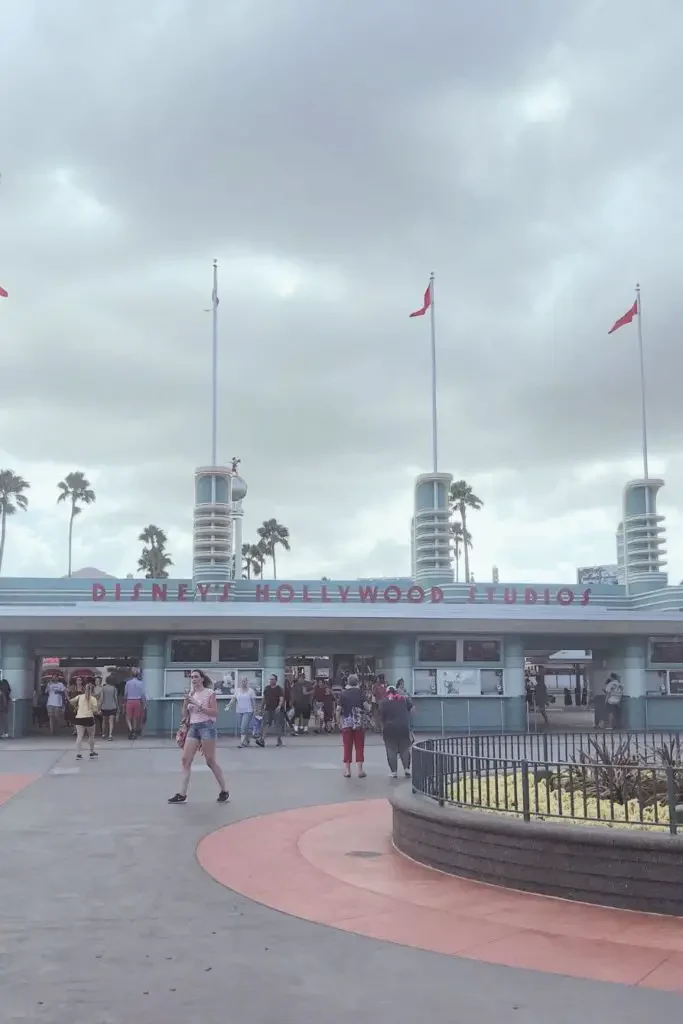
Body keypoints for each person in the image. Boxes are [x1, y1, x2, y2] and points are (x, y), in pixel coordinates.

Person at [168, 669, 229, 804]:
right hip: (193, 727)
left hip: (207, 726)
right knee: (185, 759)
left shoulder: (209, 693)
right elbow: (184, 715)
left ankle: (224, 790)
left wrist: (197, 704)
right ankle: (182, 793)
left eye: (196, 677)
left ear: (202, 679)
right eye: (192, 678)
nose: (194, 680)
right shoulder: (191, 693)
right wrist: (186, 702)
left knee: (210, 761)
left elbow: (214, 713)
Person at [379, 685, 413, 778]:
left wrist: (382, 728)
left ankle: (394, 772)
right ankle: (407, 769)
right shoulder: (404, 700)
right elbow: (412, 709)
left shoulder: (383, 702)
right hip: (403, 727)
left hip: (389, 728)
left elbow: (381, 717)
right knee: (405, 748)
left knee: (391, 749)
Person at [339, 674, 369, 778]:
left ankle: (347, 771)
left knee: (347, 746)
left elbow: (338, 709)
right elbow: (367, 707)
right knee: (359, 746)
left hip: (346, 722)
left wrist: (339, 721)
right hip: (358, 722)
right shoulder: (360, 693)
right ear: (357, 682)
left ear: (348, 682)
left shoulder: (343, 694)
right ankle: (360, 771)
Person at [69, 682, 99, 760]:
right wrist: (97, 712)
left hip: (79, 718)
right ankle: (91, 752)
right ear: (92, 691)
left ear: (84, 690)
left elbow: (71, 701)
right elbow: (95, 711)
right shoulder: (93, 699)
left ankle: (78, 753)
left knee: (80, 736)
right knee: (91, 736)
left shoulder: (79, 697)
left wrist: (76, 706)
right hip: (89, 718)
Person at [257, 674, 284, 747]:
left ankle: (279, 740)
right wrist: (261, 708)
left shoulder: (279, 689)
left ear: (276, 680)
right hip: (268, 709)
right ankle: (262, 739)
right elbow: (264, 699)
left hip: (276, 710)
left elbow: (281, 699)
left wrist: (279, 706)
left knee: (277, 725)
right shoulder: (267, 688)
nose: (271, 680)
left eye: (273, 679)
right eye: (270, 679)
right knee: (266, 724)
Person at [230, 677, 256, 747]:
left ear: (247, 682)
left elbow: (253, 701)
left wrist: (254, 710)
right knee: (243, 727)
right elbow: (234, 699)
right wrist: (229, 705)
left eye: (245, 681)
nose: (243, 682)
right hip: (239, 711)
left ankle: (242, 743)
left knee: (243, 727)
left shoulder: (251, 691)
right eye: (242, 681)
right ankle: (247, 740)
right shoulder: (237, 690)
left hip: (248, 711)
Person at [123, 669, 146, 740]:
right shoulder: (141, 683)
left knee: (128, 717)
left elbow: (125, 694)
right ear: (138, 675)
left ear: (131, 675)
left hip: (129, 701)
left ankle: (130, 729)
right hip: (138, 701)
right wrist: (144, 703)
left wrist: (124, 702)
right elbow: (142, 694)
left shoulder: (128, 683)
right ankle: (134, 732)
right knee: (136, 718)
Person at [100, 676, 119, 741]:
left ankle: (103, 733)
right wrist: (117, 706)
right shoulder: (114, 688)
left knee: (104, 721)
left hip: (104, 707)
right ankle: (110, 735)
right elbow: (115, 698)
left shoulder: (103, 688)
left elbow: (102, 698)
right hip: (112, 706)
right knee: (111, 721)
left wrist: (99, 706)